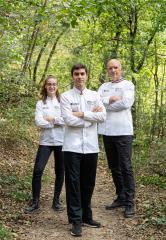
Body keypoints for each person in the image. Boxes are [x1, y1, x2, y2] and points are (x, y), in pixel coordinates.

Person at [60, 63, 106, 237]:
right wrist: (90, 117)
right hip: (72, 147)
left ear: (87, 76)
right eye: (76, 74)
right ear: (72, 76)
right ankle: (76, 221)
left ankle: (87, 216)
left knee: (88, 183)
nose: (79, 77)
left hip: (91, 147)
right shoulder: (65, 97)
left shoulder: (95, 95)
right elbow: (69, 121)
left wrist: (83, 114)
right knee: (73, 183)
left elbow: (103, 116)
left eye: (82, 74)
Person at [98, 59, 135, 218]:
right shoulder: (104, 87)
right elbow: (97, 103)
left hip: (123, 132)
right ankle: (120, 196)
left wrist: (107, 105)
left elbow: (126, 103)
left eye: (116, 67)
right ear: (107, 70)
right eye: (110, 68)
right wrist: (110, 100)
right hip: (107, 132)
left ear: (121, 68)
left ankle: (129, 202)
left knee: (125, 166)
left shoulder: (128, 85)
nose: (113, 70)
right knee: (114, 167)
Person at [24, 75, 65, 213]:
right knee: (37, 171)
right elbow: (38, 122)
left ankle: (56, 201)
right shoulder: (40, 103)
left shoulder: (62, 102)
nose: (52, 86)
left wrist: (51, 119)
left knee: (60, 172)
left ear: (57, 86)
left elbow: (66, 120)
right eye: (49, 84)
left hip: (61, 141)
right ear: (45, 86)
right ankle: (35, 202)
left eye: (54, 84)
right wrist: (56, 122)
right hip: (45, 142)